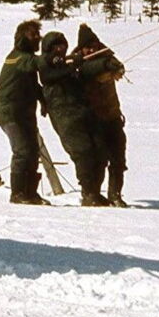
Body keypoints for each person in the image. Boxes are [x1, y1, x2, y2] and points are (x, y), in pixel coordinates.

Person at [37, 30, 110, 206]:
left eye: (63, 45)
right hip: (65, 117)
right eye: (57, 46)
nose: (61, 49)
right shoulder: (45, 63)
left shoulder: (68, 63)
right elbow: (48, 76)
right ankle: (88, 193)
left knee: (101, 150)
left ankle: (95, 191)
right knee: (83, 152)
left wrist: (106, 63)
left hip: (83, 112)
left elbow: (86, 71)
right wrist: (71, 66)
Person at [0, 20, 50, 205]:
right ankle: (17, 193)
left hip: (23, 113)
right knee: (22, 151)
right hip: (9, 113)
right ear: (23, 37)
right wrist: (54, 58)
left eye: (38, 35)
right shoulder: (18, 57)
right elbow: (35, 63)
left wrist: (42, 100)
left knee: (33, 151)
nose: (37, 38)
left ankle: (30, 192)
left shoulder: (25, 58)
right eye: (34, 35)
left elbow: (33, 84)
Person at [74, 24, 128, 207]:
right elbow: (88, 70)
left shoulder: (107, 57)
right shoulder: (77, 63)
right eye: (87, 47)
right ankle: (93, 194)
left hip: (113, 116)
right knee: (99, 158)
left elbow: (117, 66)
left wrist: (117, 69)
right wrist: (106, 66)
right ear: (81, 48)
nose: (91, 50)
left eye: (94, 46)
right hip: (93, 119)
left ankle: (115, 195)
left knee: (118, 159)